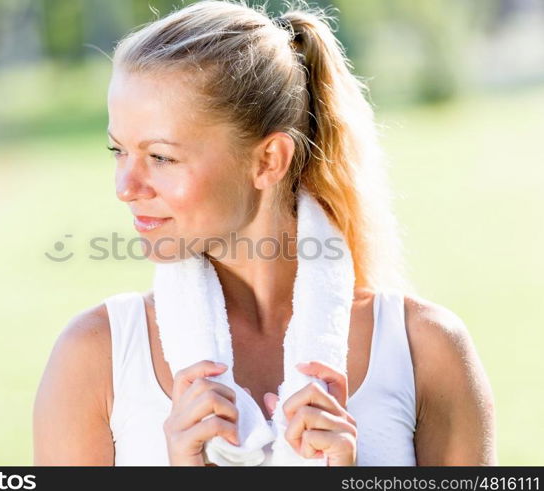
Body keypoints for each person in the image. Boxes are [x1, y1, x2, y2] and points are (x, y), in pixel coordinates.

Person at [33, 0, 496, 466]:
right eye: (118, 151)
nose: (125, 187)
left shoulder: (425, 350)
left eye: (160, 157)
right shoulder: (96, 358)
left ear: (268, 160)